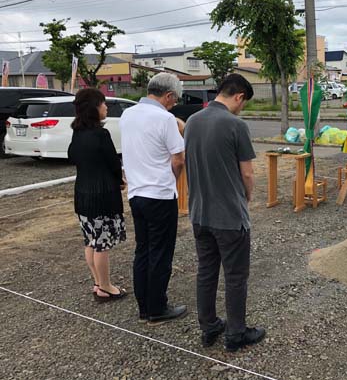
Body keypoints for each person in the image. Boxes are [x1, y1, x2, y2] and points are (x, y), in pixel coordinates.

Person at [184, 73, 266, 352]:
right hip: (229, 216)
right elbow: (247, 173)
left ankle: (208, 328)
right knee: (235, 276)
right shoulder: (235, 125)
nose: (242, 108)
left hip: (199, 213)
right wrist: (248, 197)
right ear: (239, 96)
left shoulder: (193, 122)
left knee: (206, 272)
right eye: (243, 103)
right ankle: (236, 333)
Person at [119, 72, 187, 325]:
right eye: (175, 99)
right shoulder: (164, 118)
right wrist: (172, 178)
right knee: (161, 252)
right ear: (168, 96)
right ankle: (158, 307)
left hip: (136, 193)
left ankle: (144, 307)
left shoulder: (128, 114)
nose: (175, 103)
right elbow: (178, 157)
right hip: (160, 194)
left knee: (143, 250)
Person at [68, 88, 127, 302]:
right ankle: (106, 287)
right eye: (103, 103)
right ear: (94, 108)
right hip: (102, 196)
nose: (106, 107)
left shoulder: (77, 132)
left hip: (82, 193)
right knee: (102, 244)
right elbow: (113, 163)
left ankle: (97, 282)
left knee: (90, 241)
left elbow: (72, 156)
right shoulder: (101, 134)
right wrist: (120, 180)